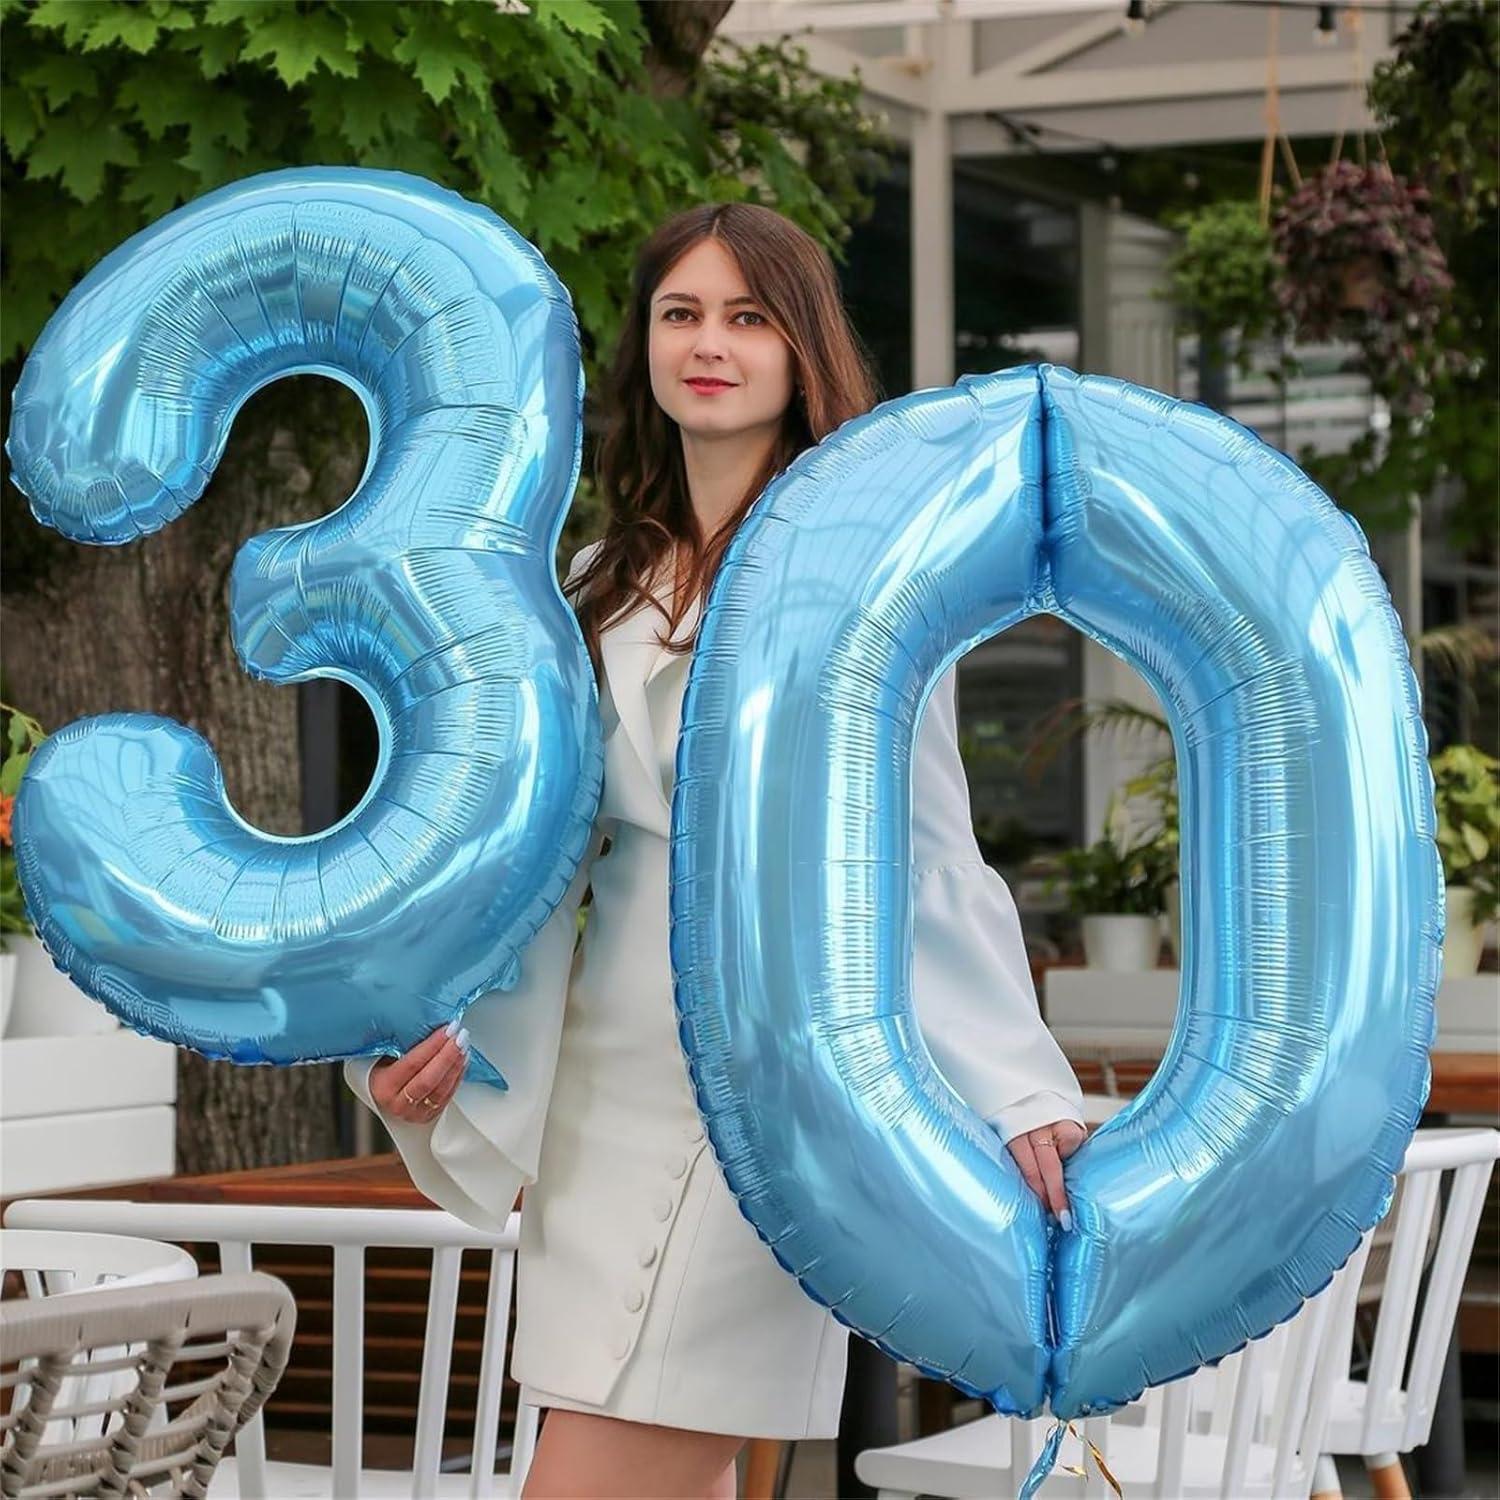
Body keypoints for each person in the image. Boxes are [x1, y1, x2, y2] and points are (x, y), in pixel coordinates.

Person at [344, 203, 1087, 1498]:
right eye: (681, 313)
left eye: (749, 317)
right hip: (598, 1107)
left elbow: (924, 852)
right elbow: (531, 865)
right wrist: (438, 1045)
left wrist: (1021, 1081)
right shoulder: (596, 583)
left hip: (759, 1096)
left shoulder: (871, 580)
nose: (710, 343)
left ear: (804, 351)